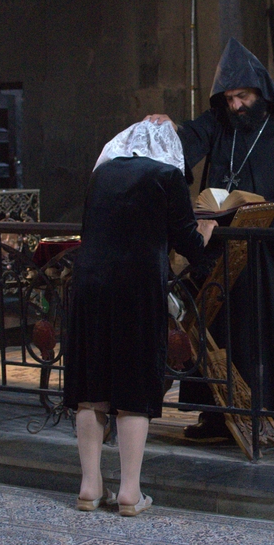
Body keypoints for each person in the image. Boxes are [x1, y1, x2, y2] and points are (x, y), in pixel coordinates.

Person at [145, 38, 274, 439]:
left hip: (266, 255)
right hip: (218, 251)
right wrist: (168, 130)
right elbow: (187, 140)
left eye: (242, 96)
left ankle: (270, 416)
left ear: (261, 92)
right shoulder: (220, 122)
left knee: (259, 338)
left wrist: (264, 212)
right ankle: (216, 416)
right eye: (229, 98)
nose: (236, 106)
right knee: (217, 332)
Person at [62, 120, 216, 516]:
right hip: (136, 290)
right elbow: (190, 247)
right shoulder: (167, 175)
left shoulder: (102, 173)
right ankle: (130, 492)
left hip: (89, 287)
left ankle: (89, 487)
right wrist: (208, 232)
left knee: (92, 387)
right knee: (133, 387)